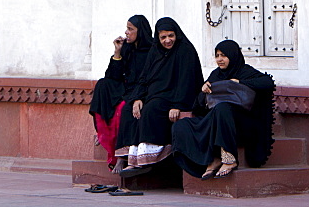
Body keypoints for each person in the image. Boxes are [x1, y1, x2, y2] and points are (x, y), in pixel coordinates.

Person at [172, 39, 275, 179]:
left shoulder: (244, 71)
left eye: (224, 56)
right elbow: (199, 106)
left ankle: (229, 159)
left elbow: (267, 82)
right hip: (217, 120)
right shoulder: (216, 74)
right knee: (181, 125)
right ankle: (212, 159)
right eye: (217, 55)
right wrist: (203, 92)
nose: (219, 59)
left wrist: (240, 82)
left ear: (233, 56)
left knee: (223, 108)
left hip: (241, 123)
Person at [118, 17, 203, 172]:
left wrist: (178, 105)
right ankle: (131, 158)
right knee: (129, 110)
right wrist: (137, 98)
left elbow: (187, 81)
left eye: (171, 36)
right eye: (163, 37)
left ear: (176, 34)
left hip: (174, 97)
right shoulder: (155, 50)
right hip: (154, 95)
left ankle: (148, 159)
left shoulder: (185, 50)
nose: (167, 40)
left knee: (151, 110)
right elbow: (144, 77)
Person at [89, 15, 153, 169]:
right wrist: (117, 52)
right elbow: (113, 76)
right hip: (126, 87)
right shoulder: (127, 48)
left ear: (140, 31)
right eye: (127, 28)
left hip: (142, 89)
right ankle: (102, 131)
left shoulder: (152, 51)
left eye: (131, 29)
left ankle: (121, 156)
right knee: (102, 85)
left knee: (123, 109)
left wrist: (139, 96)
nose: (126, 32)